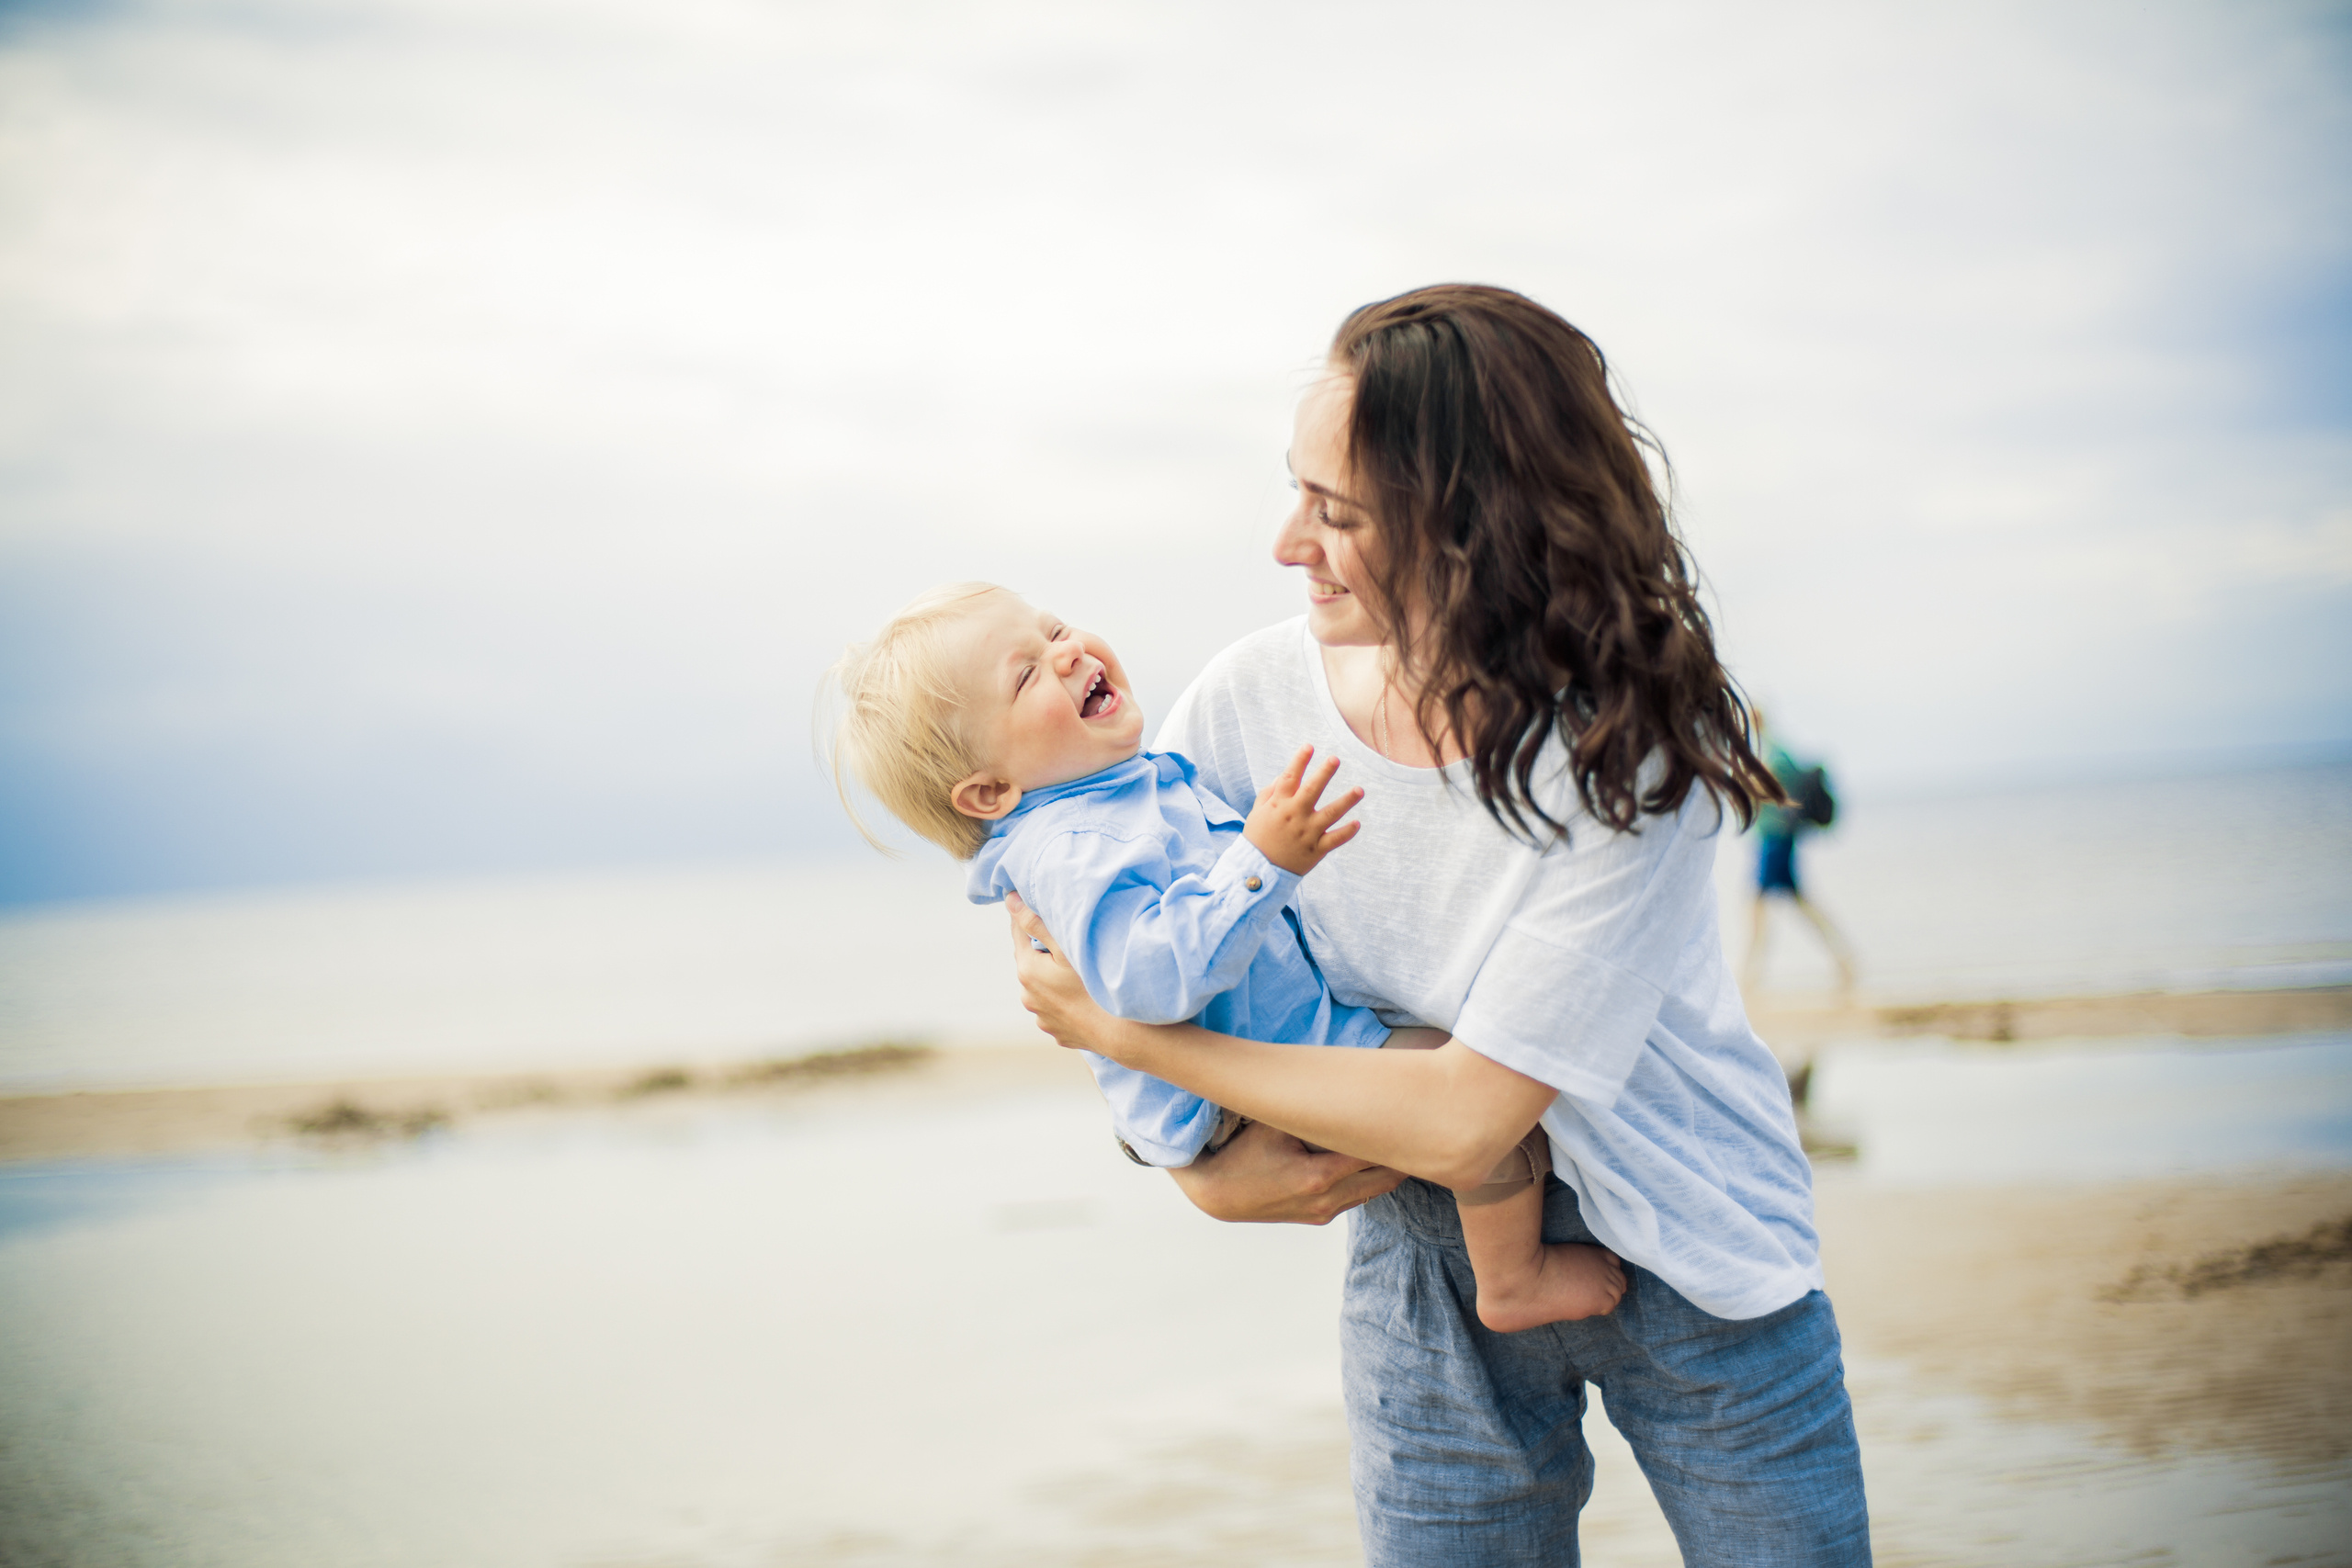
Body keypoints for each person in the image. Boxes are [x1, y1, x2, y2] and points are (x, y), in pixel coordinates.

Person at [1006, 285, 1871, 1565]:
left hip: (1694, 1246)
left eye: (1337, 512)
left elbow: (1474, 1114)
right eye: (1295, 490)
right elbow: (1066, 914)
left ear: (1474, 531)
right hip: (1420, 1251)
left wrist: (1164, 1058)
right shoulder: (1251, 700)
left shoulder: (1629, 753)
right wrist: (1189, 1167)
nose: (1287, 542)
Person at [827, 581, 1628, 1331]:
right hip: (1249, 1081)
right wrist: (1264, 859)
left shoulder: (1115, 789)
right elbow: (1147, 982)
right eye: (1026, 673)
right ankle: (1512, 1279)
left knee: (1470, 1100)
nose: (1067, 652)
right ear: (989, 794)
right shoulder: (1072, 848)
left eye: (1056, 628)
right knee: (1483, 1111)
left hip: (1269, 1045)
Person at [1743, 713, 1858, 998]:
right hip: (1776, 839)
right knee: (1794, 903)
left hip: (1776, 840)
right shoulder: (1771, 750)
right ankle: (1843, 959)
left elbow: (1762, 791)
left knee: (1758, 904)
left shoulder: (1773, 753)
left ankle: (1750, 976)